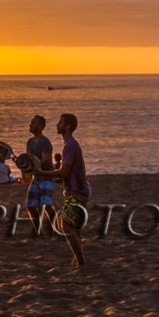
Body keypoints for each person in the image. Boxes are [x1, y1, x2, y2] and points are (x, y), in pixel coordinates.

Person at [54, 113, 90, 269]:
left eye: (60, 122)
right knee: (75, 228)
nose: (57, 125)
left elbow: (63, 173)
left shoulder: (70, 145)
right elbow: (64, 174)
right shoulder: (70, 144)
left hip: (77, 192)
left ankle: (81, 262)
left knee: (65, 225)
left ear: (67, 126)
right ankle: (79, 260)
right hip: (81, 190)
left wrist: (41, 173)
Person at [22, 115, 55, 232]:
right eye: (31, 122)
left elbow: (45, 160)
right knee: (30, 206)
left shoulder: (45, 142)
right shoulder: (30, 142)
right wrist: (24, 169)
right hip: (36, 178)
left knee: (46, 205)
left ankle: (55, 228)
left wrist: (31, 167)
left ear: (41, 126)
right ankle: (37, 229)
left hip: (46, 177)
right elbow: (28, 159)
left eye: (34, 123)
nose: (30, 125)